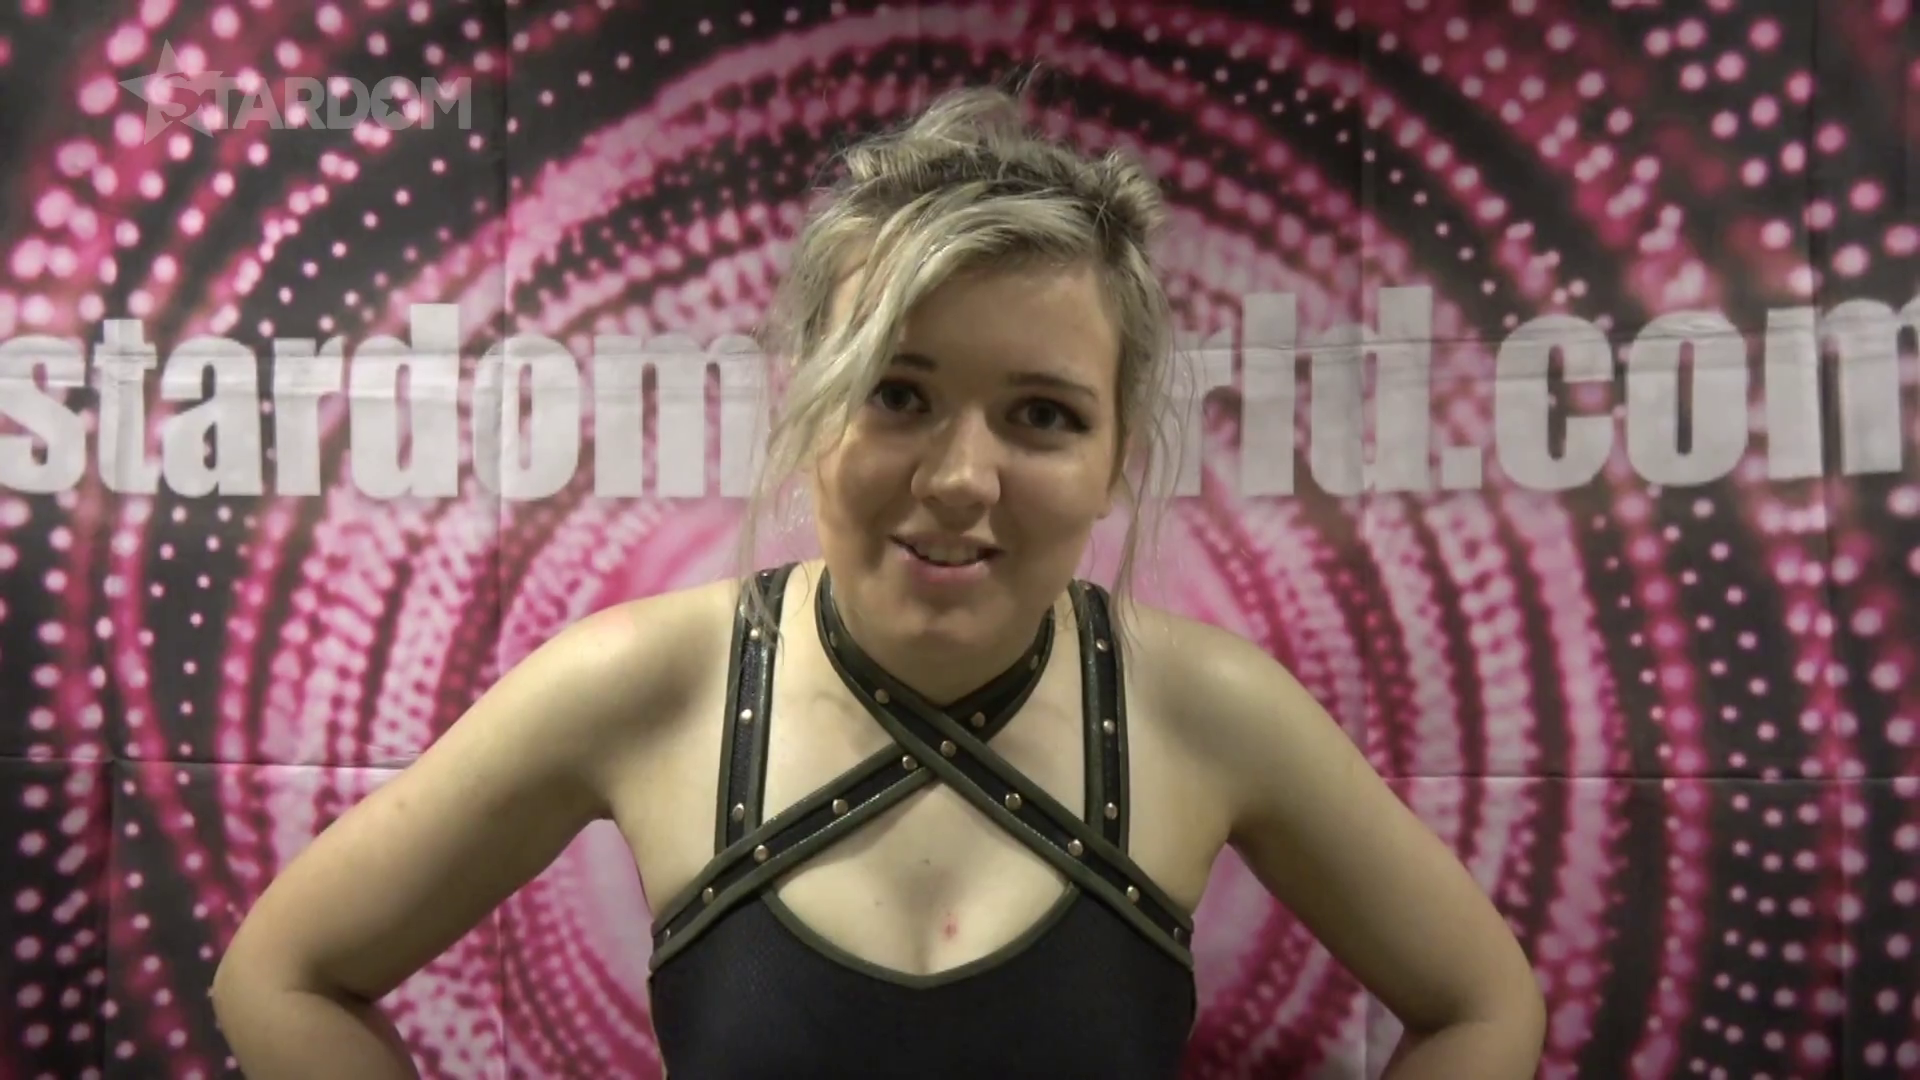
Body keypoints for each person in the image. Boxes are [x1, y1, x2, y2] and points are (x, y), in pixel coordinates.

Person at [211, 83, 1547, 1079]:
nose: (961, 479)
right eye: (898, 393)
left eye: (1041, 416)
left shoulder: (1206, 710)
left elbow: (1485, 1008)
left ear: (1116, 459)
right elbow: (284, 976)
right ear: (810, 406)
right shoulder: (648, 685)